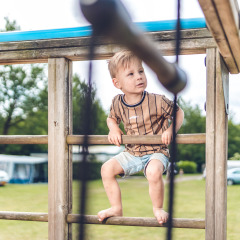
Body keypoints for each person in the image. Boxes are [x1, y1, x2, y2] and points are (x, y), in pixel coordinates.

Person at [97, 50, 184, 225]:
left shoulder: (158, 101)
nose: (139, 77)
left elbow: (178, 112)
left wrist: (170, 130)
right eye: (131, 74)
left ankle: (158, 208)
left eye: (141, 71)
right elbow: (111, 118)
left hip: (156, 153)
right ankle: (116, 207)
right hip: (132, 153)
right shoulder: (117, 102)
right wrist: (113, 128)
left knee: (153, 172)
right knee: (106, 169)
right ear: (117, 83)